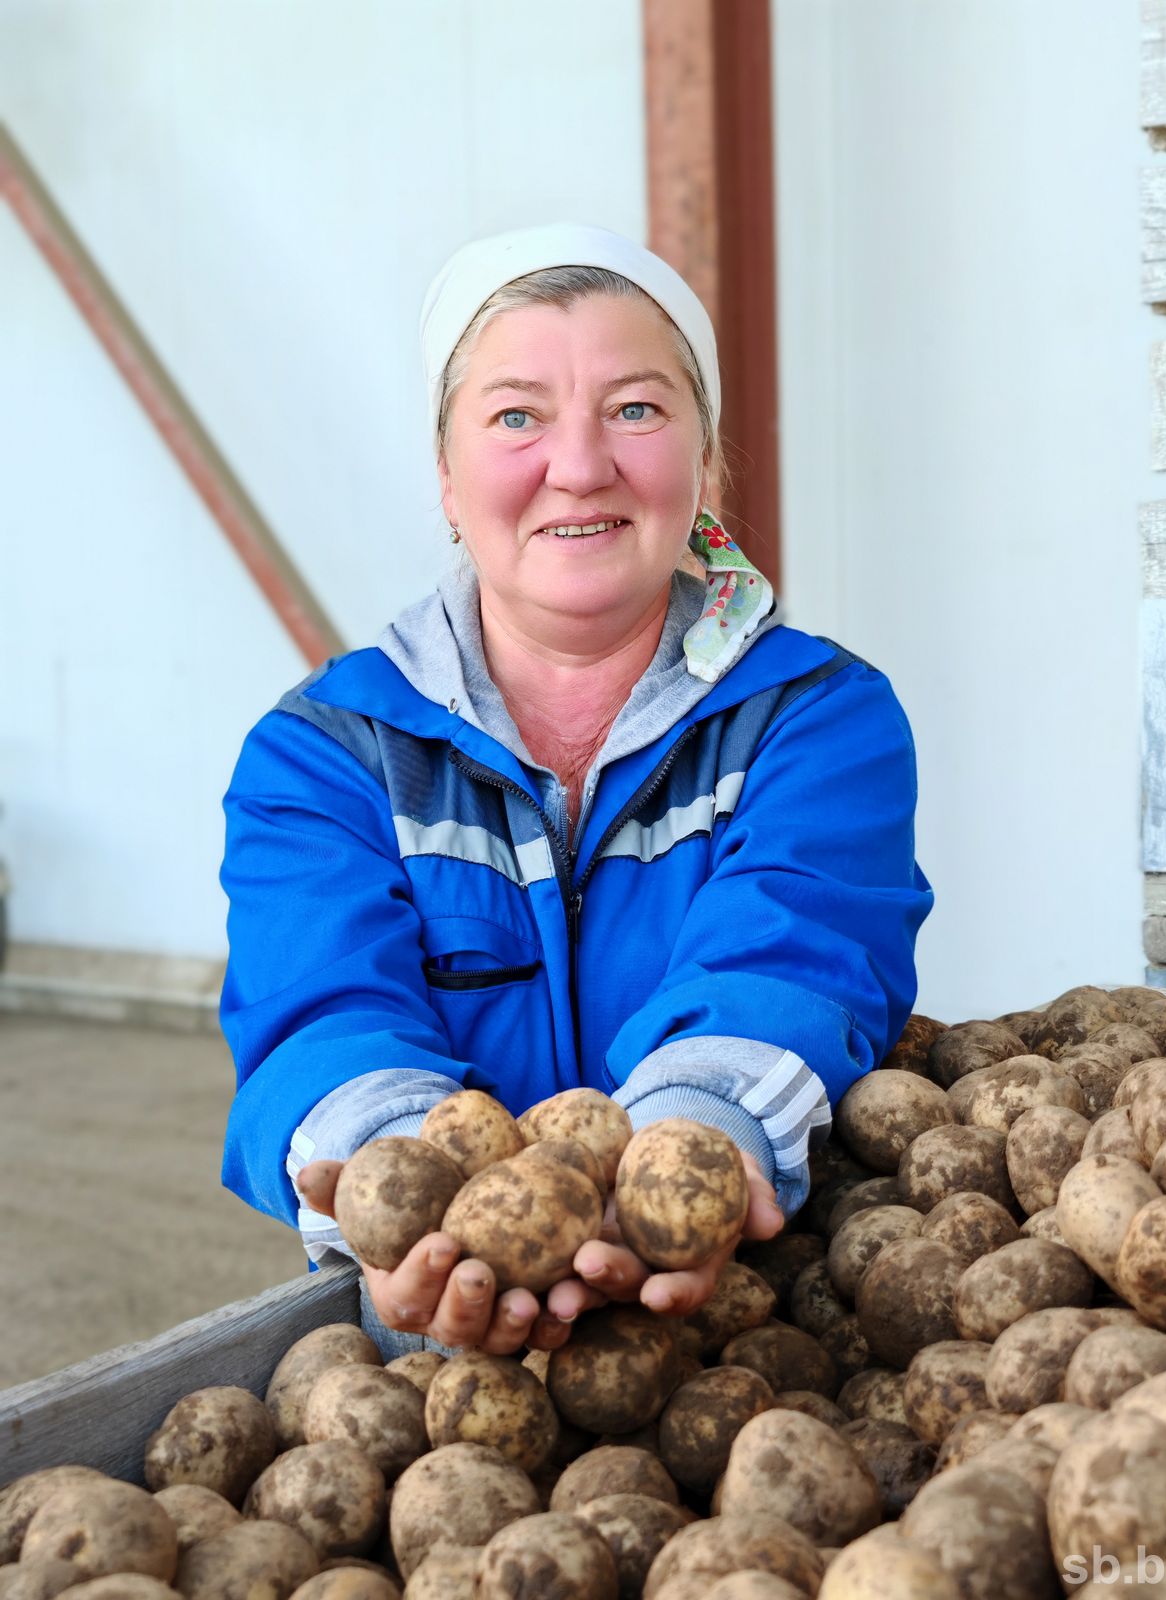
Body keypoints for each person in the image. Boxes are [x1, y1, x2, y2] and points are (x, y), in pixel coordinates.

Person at [218, 222, 933, 1358]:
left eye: (636, 409)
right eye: (516, 416)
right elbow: (322, 1015)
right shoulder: (324, 751)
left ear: (704, 462)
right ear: (447, 477)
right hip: (434, 1344)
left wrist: (681, 1165)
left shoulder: (817, 717)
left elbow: (792, 964)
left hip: (740, 1308)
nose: (581, 464)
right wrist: (424, 1202)